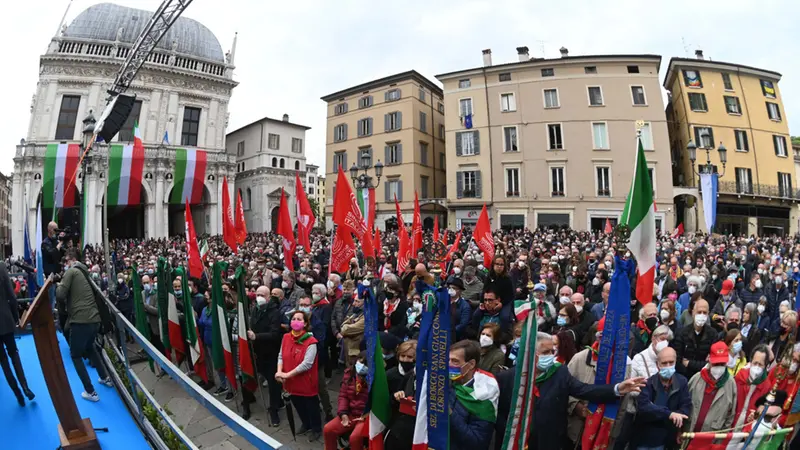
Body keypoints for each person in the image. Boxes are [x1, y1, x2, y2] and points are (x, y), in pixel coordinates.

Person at [529, 332, 645, 449]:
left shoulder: (560, 373)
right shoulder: (513, 377)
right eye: (545, 352)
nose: (550, 356)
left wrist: (617, 389)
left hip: (550, 441)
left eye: (552, 352)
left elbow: (585, 389)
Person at [56, 248, 112, 402]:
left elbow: (60, 295)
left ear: (71, 259)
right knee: (90, 347)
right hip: (94, 319)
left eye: (66, 261)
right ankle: (105, 377)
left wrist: (59, 283)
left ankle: (90, 392)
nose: (65, 264)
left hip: (81, 321)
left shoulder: (72, 271)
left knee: (75, 355)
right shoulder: (85, 271)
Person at [631, 347, 692, 450]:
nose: (668, 366)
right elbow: (644, 407)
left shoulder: (682, 382)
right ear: (657, 365)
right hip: (647, 438)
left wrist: (679, 424)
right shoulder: (648, 383)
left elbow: (686, 406)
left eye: (671, 362)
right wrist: (670, 414)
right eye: (664, 363)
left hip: (669, 437)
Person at [277, 310, 322, 442]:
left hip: (306, 382)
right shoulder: (286, 337)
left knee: (311, 406)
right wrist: (279, 371)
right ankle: (306, 424)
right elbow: (281, 355)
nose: (295, 321)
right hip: (290, 382)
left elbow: (306, 364)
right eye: (293, 319)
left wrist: (286, 375)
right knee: (298, 405)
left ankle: (316, 428)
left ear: (306, 323)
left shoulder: (311, 342)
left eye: (299, 319)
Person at [448, 339, 500, 450]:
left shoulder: (483, 396)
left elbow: (477, 442)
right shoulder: (444, 384)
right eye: (448, 360)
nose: (449, 365)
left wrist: (450, 414)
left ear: (471, 364)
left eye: (455, 361)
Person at [247, 286, 283, 426]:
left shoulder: (275, 312)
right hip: (258, 351)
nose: (259, 297)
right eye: (257, 294)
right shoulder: (255, 309)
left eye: (262, 295)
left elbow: (275, 334)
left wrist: (256, 336)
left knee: (273, 383)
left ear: (268, 297)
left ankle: (274, 409)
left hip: (271, 352)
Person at [0, 261, 34, 406]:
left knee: (3, 361)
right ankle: (25, 388)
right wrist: (15, 317)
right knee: (14, 353)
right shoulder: (1, 266)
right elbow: (12, 297)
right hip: (5, 319)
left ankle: (18, 394)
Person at [323, 351, 369, 450]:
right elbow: (343, 396)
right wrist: (343, 414)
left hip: (365, 417)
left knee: (354, 438)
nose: (361, 366)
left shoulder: (376, 380)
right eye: (360, 362)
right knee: (328, 429)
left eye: (365, 364)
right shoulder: (349, 375)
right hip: (350, 413)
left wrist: (365, 417)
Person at [687, 341, 736, 432]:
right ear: (709, 359)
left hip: (711, 438)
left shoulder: (731, 384)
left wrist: (719, 440)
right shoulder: (697, 378)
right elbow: (684, 404)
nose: (718, 368)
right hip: (689, 432)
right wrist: (681, 430)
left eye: (722, 364)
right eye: (716, 364)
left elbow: (730, 416)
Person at [729, 345, 771, 444]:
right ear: (750, 361)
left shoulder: (767, 386)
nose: (756, 367)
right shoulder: (740, 376)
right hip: (732, 421)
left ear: (765, 366)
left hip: (747, 428)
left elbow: (763, 410)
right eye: (755, 363)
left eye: (760, 364)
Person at [385, 340, 417, 450]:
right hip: (394, 421)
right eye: (402, 356)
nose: (405, 360)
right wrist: (394, 397)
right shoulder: (390, 374)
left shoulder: (418, 376)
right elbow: (384, 400)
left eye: (410, 357)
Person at [674, 298, 718, 380]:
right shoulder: (682, 333)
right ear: (693, 313)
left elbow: (711, 362)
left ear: (708, 314)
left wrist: (689, 363)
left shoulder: (713, 334)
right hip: (685, 377)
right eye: (699, 312)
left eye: (704, 313)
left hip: (705, 378)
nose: (701, 315)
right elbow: (678, 361)